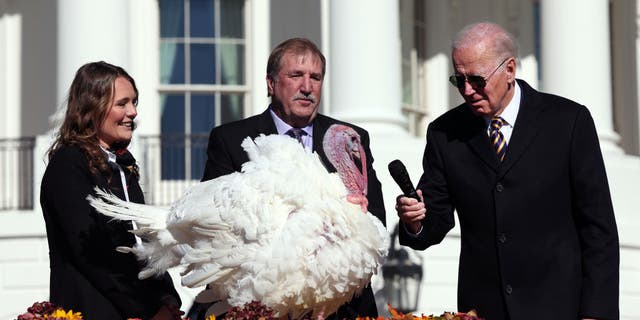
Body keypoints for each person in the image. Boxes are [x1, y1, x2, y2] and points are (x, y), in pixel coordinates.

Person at [395, 22, 619, 320]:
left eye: (476, 79)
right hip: (484, 310)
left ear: (510, 69)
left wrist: (596, 313)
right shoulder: (445, 133)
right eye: (457, 80)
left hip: (560, 308)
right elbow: (432, 222)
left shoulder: (568, 122)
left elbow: (598, 229)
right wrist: (414, 221)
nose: (467, 90)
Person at [190, 37, 386, 319]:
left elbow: (375, 216)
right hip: (260, 306)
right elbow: (214, 228)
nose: (307, 87)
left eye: (315, 78)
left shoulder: (346, 139)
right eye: (296, 76)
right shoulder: (231, 140)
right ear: (271, 84)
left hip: (341, 308)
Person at [40, 61, 183, 320]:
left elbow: (144, 244)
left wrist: (168, 300)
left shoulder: (123, 165)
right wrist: (147, 310)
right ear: (92, 107)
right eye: (122, 103)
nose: (133, 112)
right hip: (94, 309)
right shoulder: (69, 165)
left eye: (134, 102)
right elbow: (93, 253)